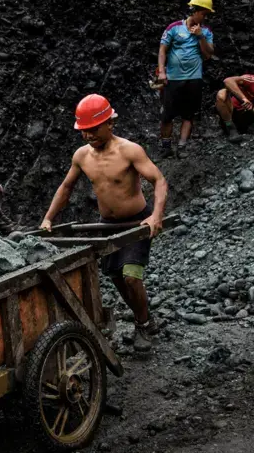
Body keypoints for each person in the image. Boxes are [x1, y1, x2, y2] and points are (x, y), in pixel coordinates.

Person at [40, 94, 169, 352]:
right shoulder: (81, 156)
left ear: (110, 123)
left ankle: (143, 324)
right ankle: (144, 317)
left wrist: (155, 215)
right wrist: (48, 218)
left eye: (94, 129)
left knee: (131, 276)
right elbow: (66, 187)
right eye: (84, 131)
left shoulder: (130, 150)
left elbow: (159, 180)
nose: (89, 136)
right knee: (115, 276)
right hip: (106, 223)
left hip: (135, 222)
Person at [157, 0, 215, 158]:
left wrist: (200, 36)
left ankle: (181, 147)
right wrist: (162, 71)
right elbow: (163, 50)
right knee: (167, 114)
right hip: (173, 78)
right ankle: (166, 146)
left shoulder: (206, 31)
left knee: (189, 115)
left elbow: (209, 54)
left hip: (194, 79)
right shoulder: (174, 28)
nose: (204, 17)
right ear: (194, 11)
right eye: (203, 13)